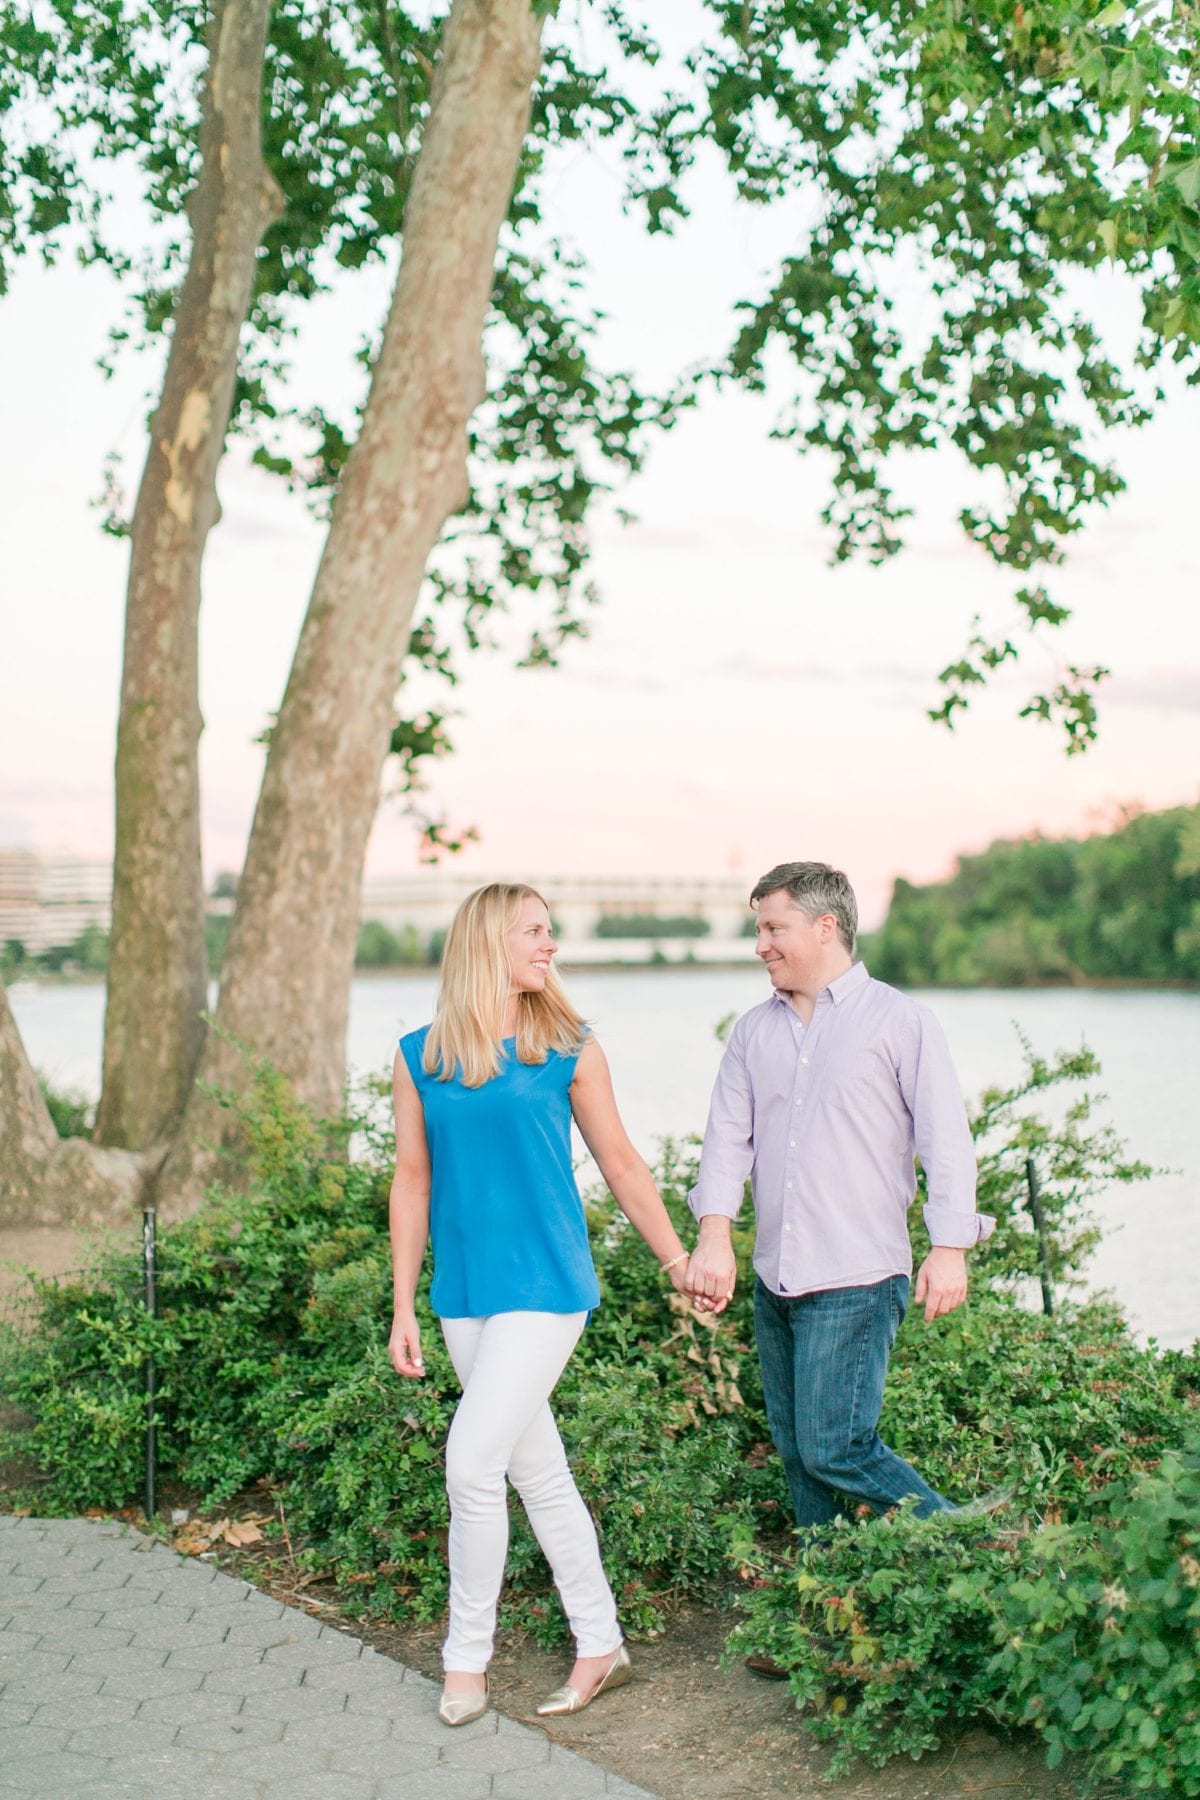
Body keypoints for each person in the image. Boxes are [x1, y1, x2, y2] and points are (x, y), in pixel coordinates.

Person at [387, 881, 697, 1727]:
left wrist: (676, 1259)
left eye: (550, 931)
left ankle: (465, 1664)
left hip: (548, 1285)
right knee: (536, 1472)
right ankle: (601, 1643)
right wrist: (402, 1305)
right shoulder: (420, 1054)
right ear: (490, 940)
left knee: (470, 1466)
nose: (550, 945)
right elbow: (412, 1180)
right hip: (464, 1293)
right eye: (535, 931)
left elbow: (624, 1164)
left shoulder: (568, 1045)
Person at [686, 860, 995, 1544]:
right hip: (776, 1278)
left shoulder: (901, 1021)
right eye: (758, 927)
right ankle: (819, 1612)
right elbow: (726, 1143)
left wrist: (950, 1251)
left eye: (774, 927)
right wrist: (713, 1237)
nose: (760, 943)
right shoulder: (752, 1032)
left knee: (836, 1448)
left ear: (826, 926)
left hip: (856, 1275)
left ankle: (970, 1544)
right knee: (800, 1459)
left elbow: (947, 1139)